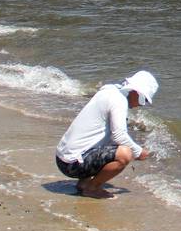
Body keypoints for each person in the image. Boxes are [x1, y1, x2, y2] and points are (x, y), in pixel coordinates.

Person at [55, 70, 158, 198]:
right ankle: (92, 188)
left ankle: (84, 183)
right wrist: (139, 152)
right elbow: (119, 136)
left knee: (111, 145)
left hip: (63, 158)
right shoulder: (119, 101)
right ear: (136, 92)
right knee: (125, 153)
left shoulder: (110, 91)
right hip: (71, 164)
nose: (141, 105)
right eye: (144, 100)